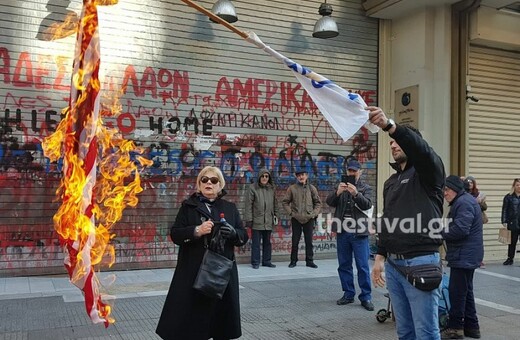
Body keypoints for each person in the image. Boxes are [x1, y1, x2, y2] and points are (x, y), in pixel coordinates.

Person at [368, 106, 446, 340]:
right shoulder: (391, 182)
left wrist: (391, 127)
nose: (393, 145)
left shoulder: (428, 173)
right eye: (391, 144)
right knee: (405, 331)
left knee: (426, 331)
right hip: (394, 266)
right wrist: (380, 259)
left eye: (397, 142)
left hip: (421, 261)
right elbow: (387, 223)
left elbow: (422, 152)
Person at [156, 166, 249, 340]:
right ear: (199, 184)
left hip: (221, 274)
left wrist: (234, 233)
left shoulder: (230, 208)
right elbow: (175, 234)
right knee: (193, 322)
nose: (209, 183)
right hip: (193, 272)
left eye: (213, 180)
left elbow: (243, 236)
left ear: (220, 185)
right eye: (204, 180)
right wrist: (197, 231)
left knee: (220, 322)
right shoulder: (188, 206)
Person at [326, 158, 374, 311]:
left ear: (360, 172)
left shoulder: (365, 188)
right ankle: (348, 294)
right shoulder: (340, 186)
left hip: (359, 232)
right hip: (343, 232)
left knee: (363, 266)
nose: (351, 173)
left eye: (354, 171)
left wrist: (355, 194)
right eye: (349, 171)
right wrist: (337, 192)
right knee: (344, 265)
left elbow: (367, 204)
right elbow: (330, 202)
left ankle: (366, 297)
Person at [440, 175, 484, 339]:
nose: (444, 193)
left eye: (447, 189)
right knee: (466, 291)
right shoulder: (465, 200)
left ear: (455, 189)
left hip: (464, 255)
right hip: (467, 254)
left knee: (457, 292)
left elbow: (460, 230)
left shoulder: (463, 202)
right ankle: (472, 327)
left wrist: (440, 232)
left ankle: (455, 328)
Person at [282, 169, 322, 268]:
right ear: (296, 177)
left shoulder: (312, 188)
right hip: (296, 219)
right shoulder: (292, 188)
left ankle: (309, 261)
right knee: (295, 241)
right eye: (299, 175)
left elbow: (318, 203)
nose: (301, 177)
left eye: (303, 175)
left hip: (309, 219)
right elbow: (285, 202)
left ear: (307, 175)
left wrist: (314, 214)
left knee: (309, 241)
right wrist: (291, 213)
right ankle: (293, 261)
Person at [244, 168, 279, 269]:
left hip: (268, 220)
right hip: (257, 220)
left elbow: (275, 204)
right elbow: (248, 205)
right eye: (263, 176)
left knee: (267, 243)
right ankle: (255, 262)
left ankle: (266, 261)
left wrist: (277, 215)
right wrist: (249, 219)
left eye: (266, 176)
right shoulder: (253, 188)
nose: (264, 178)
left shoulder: (272, 188)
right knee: (256, 243)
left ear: (269, 178)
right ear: (259, 177)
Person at [462, 176, 488, 268]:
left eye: (471, 182)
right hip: (468, 219)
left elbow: (485, 207)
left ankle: (479, 260)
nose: (470, 184)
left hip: (477, 219)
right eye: (468, 182)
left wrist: (479, 202)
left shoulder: (477, 194)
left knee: (478, 240)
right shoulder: (463, 193)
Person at [501, 178, 520, 265]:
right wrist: (504, 221)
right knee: (512, 242)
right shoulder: (508, 197)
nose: (519, 186)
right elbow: (504, 209)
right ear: (514, 186)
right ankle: (510, 258)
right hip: (513, 222)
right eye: (517, 185)